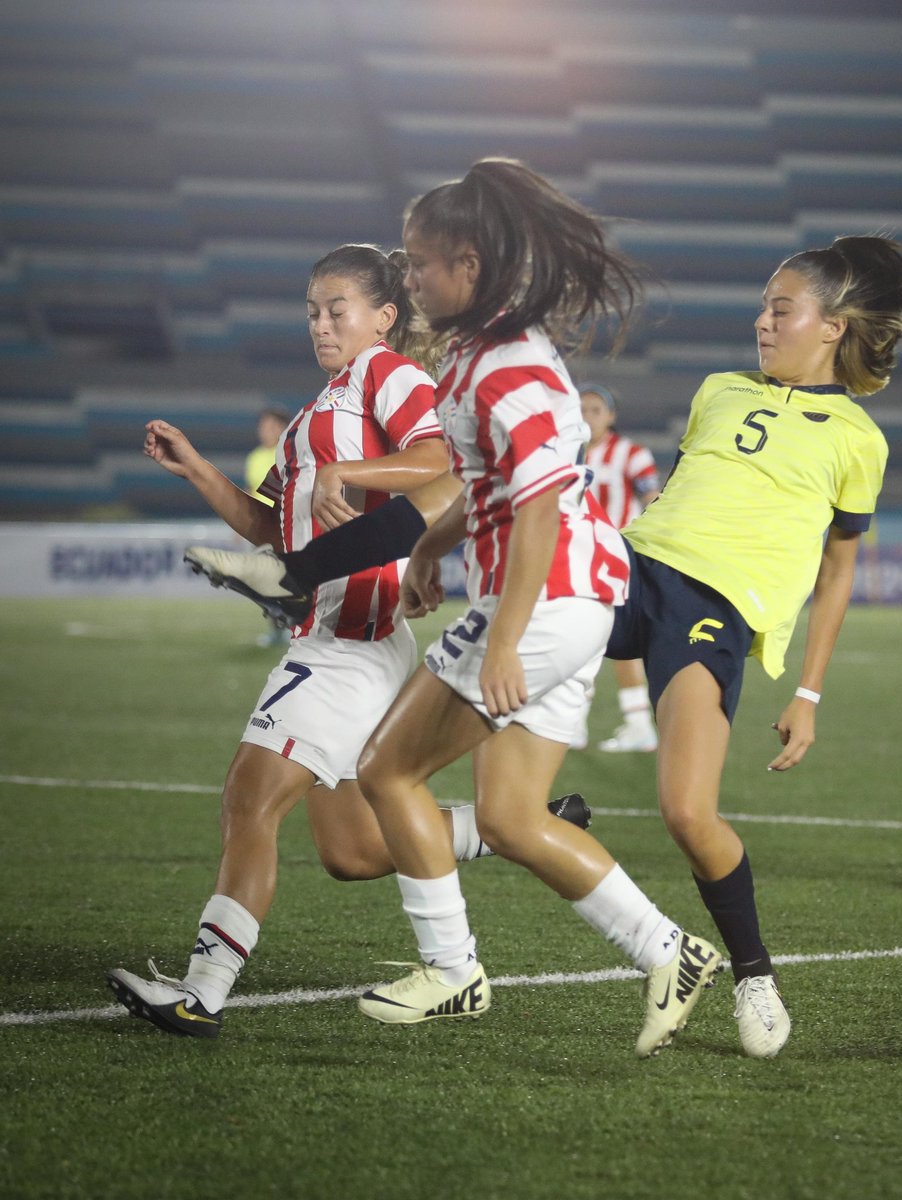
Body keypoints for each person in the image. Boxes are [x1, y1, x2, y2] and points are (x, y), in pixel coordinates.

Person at [187, 230, 902, 1060]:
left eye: (779, 309)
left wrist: (809, 691)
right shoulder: (719, 390)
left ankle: (747, 973)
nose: (761, 320)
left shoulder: (857, 438)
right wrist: (414, 554)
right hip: (627, 572)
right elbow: (508, 491)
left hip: (712, 611)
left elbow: (836, 570)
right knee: (505, 814)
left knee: (683, 811)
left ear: (832, 327)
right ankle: (649, 953)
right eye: (761, 306)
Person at [107, 243, 590, 1039]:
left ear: (384, 317)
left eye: (338, 308)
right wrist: (198, 471)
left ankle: (202, 990)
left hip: (345, 640)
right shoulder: (310, 415)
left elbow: (442, 460)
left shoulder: (387, 374)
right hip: (353, 641)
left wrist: (352, 473)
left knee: (247, 799)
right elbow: (271, 530)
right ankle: (519, 825)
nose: (322, 324)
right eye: (312, 310)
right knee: (354, 850)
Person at [347, 159, 721, 1060]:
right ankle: (670, 950)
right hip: (579, 598)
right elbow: (489, 490)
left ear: (468, 267)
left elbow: (541, 508)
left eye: (421, 263)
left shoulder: (504, 362)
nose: (410, 278)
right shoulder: (485, 351)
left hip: (549, 598)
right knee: (513, 818)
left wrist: (504, 639)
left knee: (384, 771)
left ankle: (452, 969)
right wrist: (432, 554)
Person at [573, 381, 660, 753]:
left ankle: (639, 723)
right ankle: (573, 722)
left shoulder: (632, 454)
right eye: (581, 409)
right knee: (577, 640)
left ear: (611, 416)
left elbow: (654, 502)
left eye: (595, 410)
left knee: (617, 641)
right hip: (576, 557)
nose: (587, 417)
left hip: (619, 558)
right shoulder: (564, 452)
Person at [245, 406, 293, 647]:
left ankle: (293, 629)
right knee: (264, 582)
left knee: (288, 580)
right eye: (262, 426)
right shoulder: (253, 457)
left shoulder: (289, 454)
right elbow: (252, 491)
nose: (264, 431)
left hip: (285, 526)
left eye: (271, 426)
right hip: (260, 528)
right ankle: (276, 630)